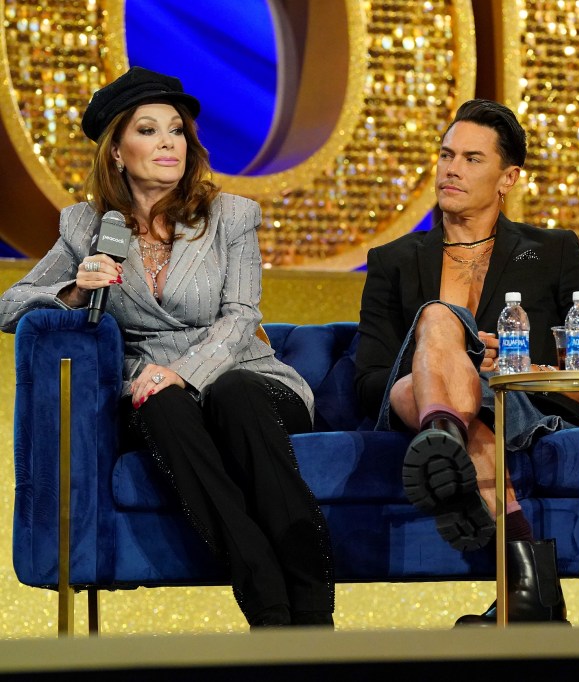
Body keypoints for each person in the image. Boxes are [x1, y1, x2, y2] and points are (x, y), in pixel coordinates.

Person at [0, 67, 335, 629]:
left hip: (245, 376)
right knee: (158, 402)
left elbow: (240, 318)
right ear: (116, 151)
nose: (167, 144)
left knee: (232, 396)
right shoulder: (86, 225)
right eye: (149, 131)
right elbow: (9, 306)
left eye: (176, 131)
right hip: (153, 390)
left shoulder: (230, 215)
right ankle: (271, 609)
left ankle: (312, 603)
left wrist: (184, 370)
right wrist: (76, 287)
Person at [354, 99, 579, 626]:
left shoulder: (555, 251)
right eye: (445, 154)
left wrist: (528, 367)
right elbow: (368, 380)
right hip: (415, 396)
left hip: (520, 402)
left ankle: (445, 445)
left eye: (472, 159)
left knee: (463, 406)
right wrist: (440, 359)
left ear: (508, 177)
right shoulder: (394, 261)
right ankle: (531, 589)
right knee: (437, 320)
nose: (451, 169)